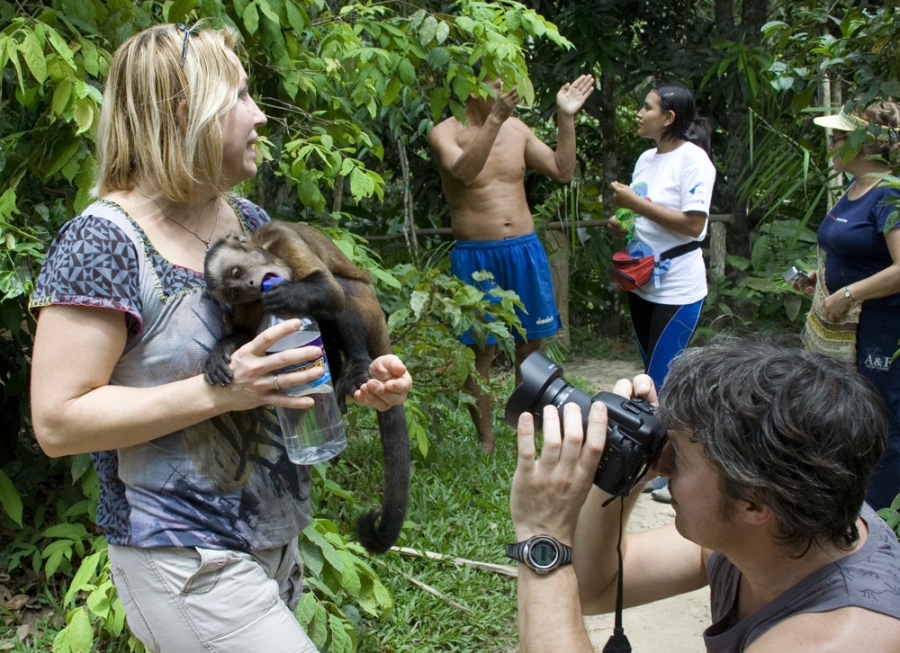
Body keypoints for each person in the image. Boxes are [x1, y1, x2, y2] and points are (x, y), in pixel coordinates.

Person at [28, 23, 411, 653]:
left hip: (274, 541)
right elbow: (57, 423)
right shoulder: (103, 240)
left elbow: (298, 347)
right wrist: (220, 391)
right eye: (239, 96)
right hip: (182, 556)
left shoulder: (247, 221)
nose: (260, 115)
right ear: (188, 112)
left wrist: (363, 377)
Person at [508, 338, 900, 652]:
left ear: (754, 503)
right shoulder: (784, 524)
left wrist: (543, 531)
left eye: (678, 455)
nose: (662, 463)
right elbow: (596, 587)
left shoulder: (839, 638)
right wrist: (626, 466)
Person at [429, 69, 594, 452]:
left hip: (524, 251)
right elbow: (465, 171)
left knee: (530, 348)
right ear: (469, 86)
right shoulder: (444, 132)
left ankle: (524, 428)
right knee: (481, 351)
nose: (504, 87)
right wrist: (494, 120)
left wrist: (565, 117)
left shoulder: (517, 129)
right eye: (494, 80)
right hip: (477, 256)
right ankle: (486, 438)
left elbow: (562, 171)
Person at [606, 83, 716, 504]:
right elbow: (641, 218)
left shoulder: (694, 161)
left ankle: (676, 469)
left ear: (668, 117)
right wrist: (622, 224)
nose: (639, 112)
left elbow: (693, 225)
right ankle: (661, 462)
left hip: (678, 286)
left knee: (661, 380)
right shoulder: (646, 159)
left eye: (646, 107)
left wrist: (634, 204)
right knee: (652, 378)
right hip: (642, 282)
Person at [791, 102, 900, 510]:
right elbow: (855, 253)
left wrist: (851, 293)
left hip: (882, 326)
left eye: (838, 138)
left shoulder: (888, 194)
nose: (831, 145)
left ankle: (882, 515)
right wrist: (821, 280)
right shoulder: (854, 191)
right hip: (846, 328)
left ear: (864, 143)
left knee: (883, 418)